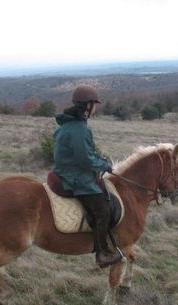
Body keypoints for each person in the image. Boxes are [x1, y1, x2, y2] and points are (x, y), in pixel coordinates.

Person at [52, 85, 122, 268]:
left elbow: (88, 152)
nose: (96, 108)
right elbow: (85, 159)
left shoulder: (69, 125)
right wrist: (105, 165)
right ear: (87, 105)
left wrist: (102, 160)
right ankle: (102, 253)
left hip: (67, 170)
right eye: (94, 104)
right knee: (103, 211)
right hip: (75, 176)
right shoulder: (79, 129)